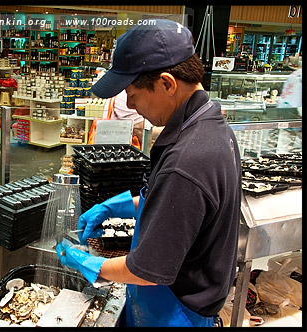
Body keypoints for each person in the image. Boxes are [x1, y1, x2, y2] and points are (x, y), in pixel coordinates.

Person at [56, 20, 242, 327]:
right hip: (175, 303)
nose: (129, 104)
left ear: (167, 84)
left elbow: (145, 271)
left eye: (132, 93)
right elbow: (181, 210)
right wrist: (119, 205)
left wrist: (90, 264)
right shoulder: (209, 126)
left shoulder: (188, 160)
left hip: (173, 313)